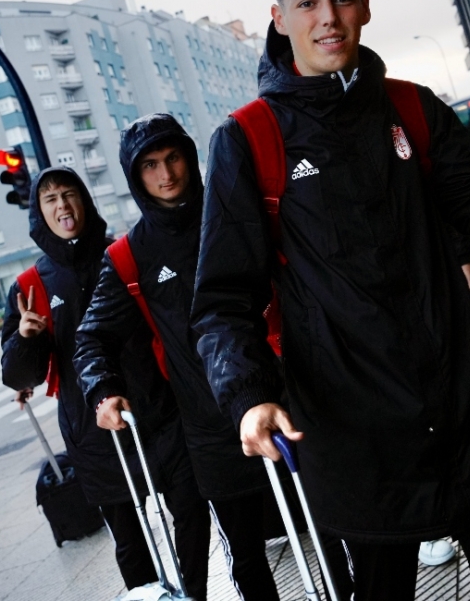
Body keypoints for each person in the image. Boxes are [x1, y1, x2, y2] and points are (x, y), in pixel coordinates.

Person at [191, 0, 470, 601]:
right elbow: (223, 299)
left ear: (363, 7)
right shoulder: (247, 139)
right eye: (307, 2)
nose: (326, 17)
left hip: (469, 415)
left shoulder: (412, 108)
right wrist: (248, 396)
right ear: (279, 18)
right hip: (354, 439)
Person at [74, 114, 281, 601]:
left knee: (327, 526)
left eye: (173, 158)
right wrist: (102, 390)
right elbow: (91, 338)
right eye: (150, 165)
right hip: (208, 432)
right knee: (248, 556)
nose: (166, 174)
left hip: (278, 400)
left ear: (189, 157)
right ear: (134, 176)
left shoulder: (230, 213)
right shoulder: (130, 255)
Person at [0, 167, 210, 597]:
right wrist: (25, 340)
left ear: (85, 200)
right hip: (93, 433)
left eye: (69, 194)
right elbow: (19, 376)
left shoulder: (124, 254)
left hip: (159, 413)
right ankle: (151, 595)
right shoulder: (30, 285)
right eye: (51, 199)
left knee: (192, 508)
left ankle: (193, 593)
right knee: (130, 543)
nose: (62, 206)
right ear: (39, 213)